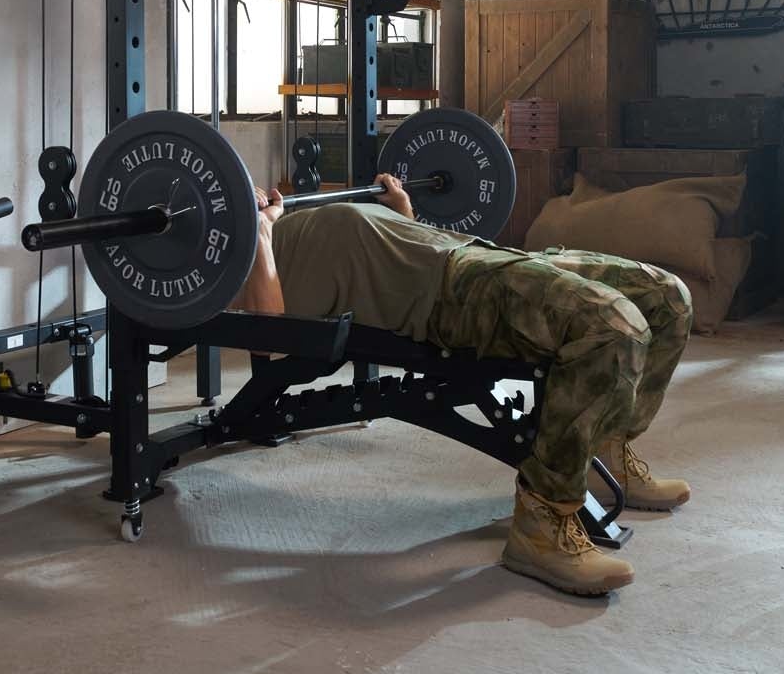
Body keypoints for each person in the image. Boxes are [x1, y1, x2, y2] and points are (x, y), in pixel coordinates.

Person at [236, 175, 692, 597]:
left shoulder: (298, 221)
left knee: (668, 296)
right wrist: (259, 233)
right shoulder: (256, 262)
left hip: (481, 255)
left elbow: (396, 258)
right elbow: (273, 337)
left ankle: (606, 450)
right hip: (456, 294)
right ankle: (542, 526)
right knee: (612, 325)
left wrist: (400, 209)